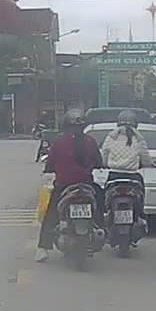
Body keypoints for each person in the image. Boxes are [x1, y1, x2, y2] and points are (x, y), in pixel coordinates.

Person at [36, 108, 102, 262]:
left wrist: (49, 169)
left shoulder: (59, 142)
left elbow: (50, 163)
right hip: (86, 185)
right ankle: (101, 227)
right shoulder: (90, 141)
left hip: (64, 186)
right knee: (100, 203)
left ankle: (43, 248)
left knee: (51, 214)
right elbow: (99, 162)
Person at [99, 109, 152, 243]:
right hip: (133, 177)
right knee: (140, 196)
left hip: (114, 176)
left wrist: (105, 164)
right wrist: (144, 164)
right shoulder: (139, 138)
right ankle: (140, 214)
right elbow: (146, 159)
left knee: (106, 199)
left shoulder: (111, 137)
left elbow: (104, 155)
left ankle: (106, 214)